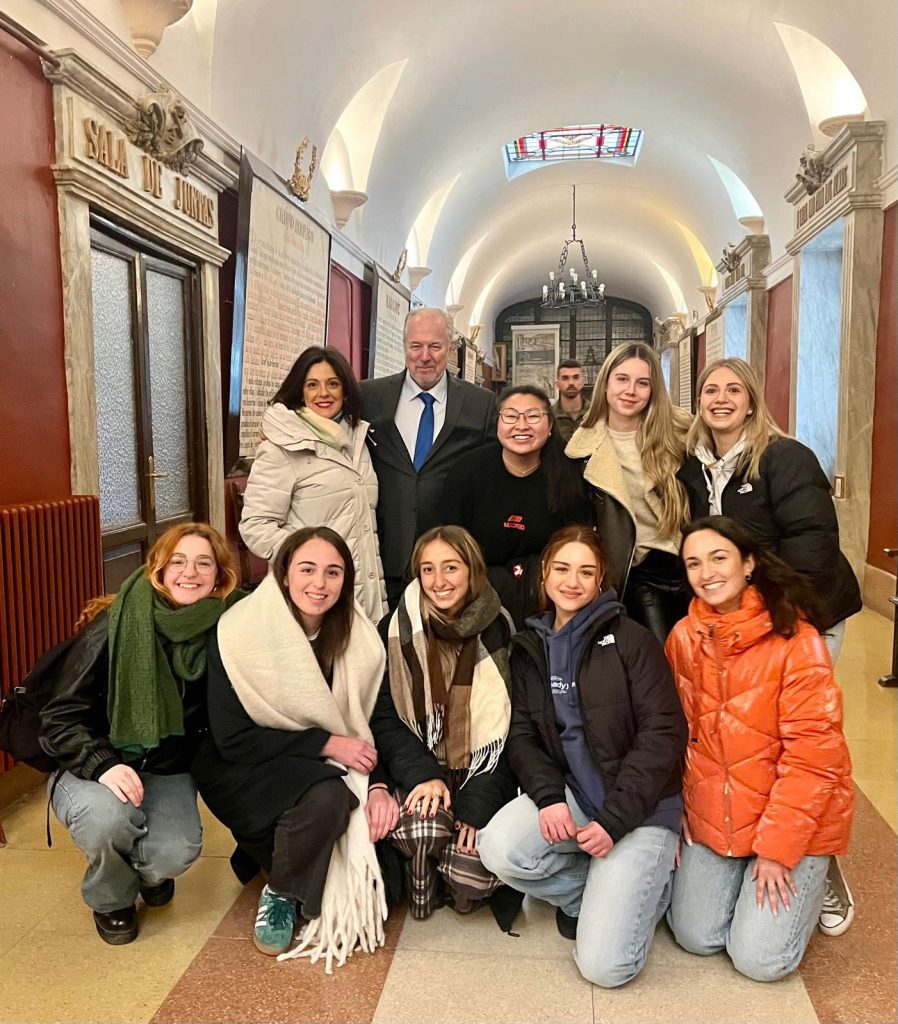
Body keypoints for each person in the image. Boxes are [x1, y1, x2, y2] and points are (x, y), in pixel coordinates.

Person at [678, 356, 862, 936]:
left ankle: (819, 864)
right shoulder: (691, 463)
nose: (722, 398)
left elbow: (813, 543)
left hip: (797, 613)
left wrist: (779, 626)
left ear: (753, 399)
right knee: (740, 740)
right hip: (730, 617)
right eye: (711, 389)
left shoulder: (784, 457)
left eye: (734, 389)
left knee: (802, 742)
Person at [478, 526, 687, 988]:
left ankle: (648, 889)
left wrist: (615, 821)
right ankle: (590, 897)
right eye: (562, 569)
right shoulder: (529, 648)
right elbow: (522, 734)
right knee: (498, 847)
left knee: (604, 968)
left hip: (640, 808)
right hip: (575, 796)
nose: (572, 581)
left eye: (586, 572)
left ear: (600, 582)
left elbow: (664, 733)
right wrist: (549, 796)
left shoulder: (631, 640)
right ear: (545, 576)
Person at [193, 526, 392, 970]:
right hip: (245, 762)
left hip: (320, 765)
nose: (319, 584)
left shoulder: (358, 637)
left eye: (333, 572)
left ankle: (268, 857)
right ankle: (280, 892)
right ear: (283, 574)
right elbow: (232, 737)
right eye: (307, 569)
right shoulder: (239, 631)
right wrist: (324, 743)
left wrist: (376, 782)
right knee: (329, 799)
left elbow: (369, 724)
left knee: (387, 884)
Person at [665, 517, 854, 981]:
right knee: (696, 936)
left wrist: (777, 850)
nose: (706, 572)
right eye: (693, 563)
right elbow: (675, 736)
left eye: (718, 558)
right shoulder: (683, 638)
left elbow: (814, 760)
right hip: (719, 811)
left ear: (748, 563)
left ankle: (819, 871)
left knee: (759, 960)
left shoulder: (797, 642)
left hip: (791, 816)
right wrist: (678, 807)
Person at [39, 523, 240, 945]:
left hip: (165, 768)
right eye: (178, 562)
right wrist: (103, 765)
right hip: (90, 762)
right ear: (160, 570)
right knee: (107, 820)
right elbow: (58, 716)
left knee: (177, 852)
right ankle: (111, 899)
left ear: (220, 576)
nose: (191, 572)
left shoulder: (225, 625)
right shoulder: (117, 622)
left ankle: (146, 872)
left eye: (204, 563)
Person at [371, 525, 517, 921]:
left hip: (480, 771)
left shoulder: (502, 628)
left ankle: (450, 871)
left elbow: (512, 727)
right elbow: (384, 717)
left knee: (471, 875)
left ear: (472, 570)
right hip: (417, 765)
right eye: (428, 569)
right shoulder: (394, 629)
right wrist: (421, 775)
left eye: (451, 567)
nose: (439, 582)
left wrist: (479, 803)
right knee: (425, 831)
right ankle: (419, 859)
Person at [361, 307, 497, 606]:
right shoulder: (369, 397)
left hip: (451, 564)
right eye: (416, 346)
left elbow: (493, 478)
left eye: (435, 346)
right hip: (385, 557)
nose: (425, 356)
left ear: (449, 349)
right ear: (404, 347)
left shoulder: (480, 404)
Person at [239, 344, 386, 621]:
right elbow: (255, 527)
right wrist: (309, 556)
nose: (324, 393)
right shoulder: (281, 447)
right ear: (300, 391)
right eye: (312, 385)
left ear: (345, 390)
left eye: (333, 383)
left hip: (365, 595)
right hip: (312, 597)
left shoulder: (358, 440)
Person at [565, 341, 691, 644]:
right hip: (637, 569)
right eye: (622, 379)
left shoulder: (680, 433)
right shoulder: (581, 448)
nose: (630, 390)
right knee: (663, 661)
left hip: (689, 563)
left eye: (642, 383)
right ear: (606, 382)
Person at [440, 385, 592, 628]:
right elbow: (450, 542)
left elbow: (578, 544)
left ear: (550, 425)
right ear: (498, 423)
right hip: (477, 596)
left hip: (550, 600)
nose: (521, 425)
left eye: (533, 416)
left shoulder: (570, 474)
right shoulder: (468, 471)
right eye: (510, 416)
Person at [551, 359, 587, 444]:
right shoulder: (549, 416)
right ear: (557, 384)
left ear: (583, 381)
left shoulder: (596, 414)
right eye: (565, 378)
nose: (571, 383)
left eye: (576, 377)